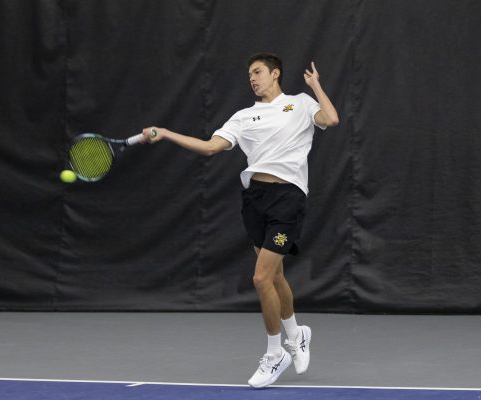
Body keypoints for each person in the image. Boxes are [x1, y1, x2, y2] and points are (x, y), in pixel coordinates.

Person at [142, 53, 339, 388]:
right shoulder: (244, 117)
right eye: (249, 74)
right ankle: (297, 333)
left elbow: (331, 119)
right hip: (254, 200)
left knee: (261, 277)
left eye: (258, 72)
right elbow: (209, 147)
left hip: (287, 199)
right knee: (275, 276)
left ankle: (275, 354)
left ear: (275, 74)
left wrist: (316, 86)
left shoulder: (300, 104)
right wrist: (167, 133)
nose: (253, 78)